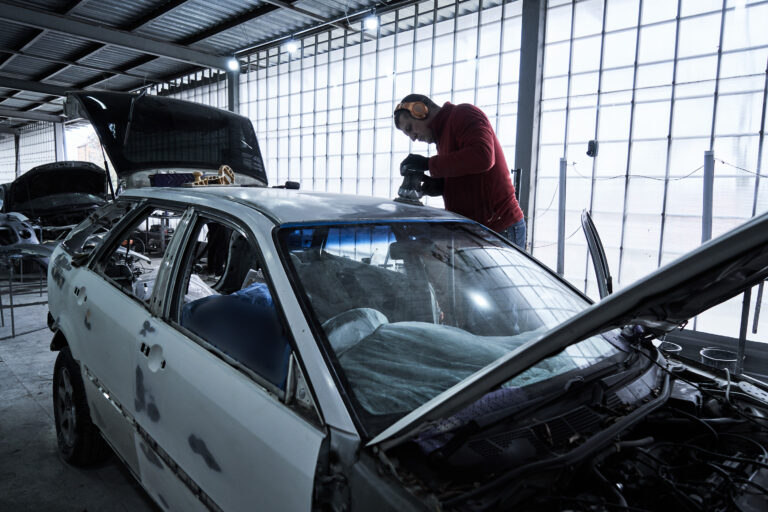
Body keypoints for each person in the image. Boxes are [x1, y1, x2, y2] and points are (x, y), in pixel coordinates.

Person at [394, 94, 526, 249]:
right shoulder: (442, 136)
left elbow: (482, 156)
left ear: (420, 110)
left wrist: (428, 163)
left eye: (410, 128)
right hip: (476, 230)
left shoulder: (463, 114)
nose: (413, 138)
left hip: (500, 228)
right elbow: (467, 170)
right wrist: (440, 186)